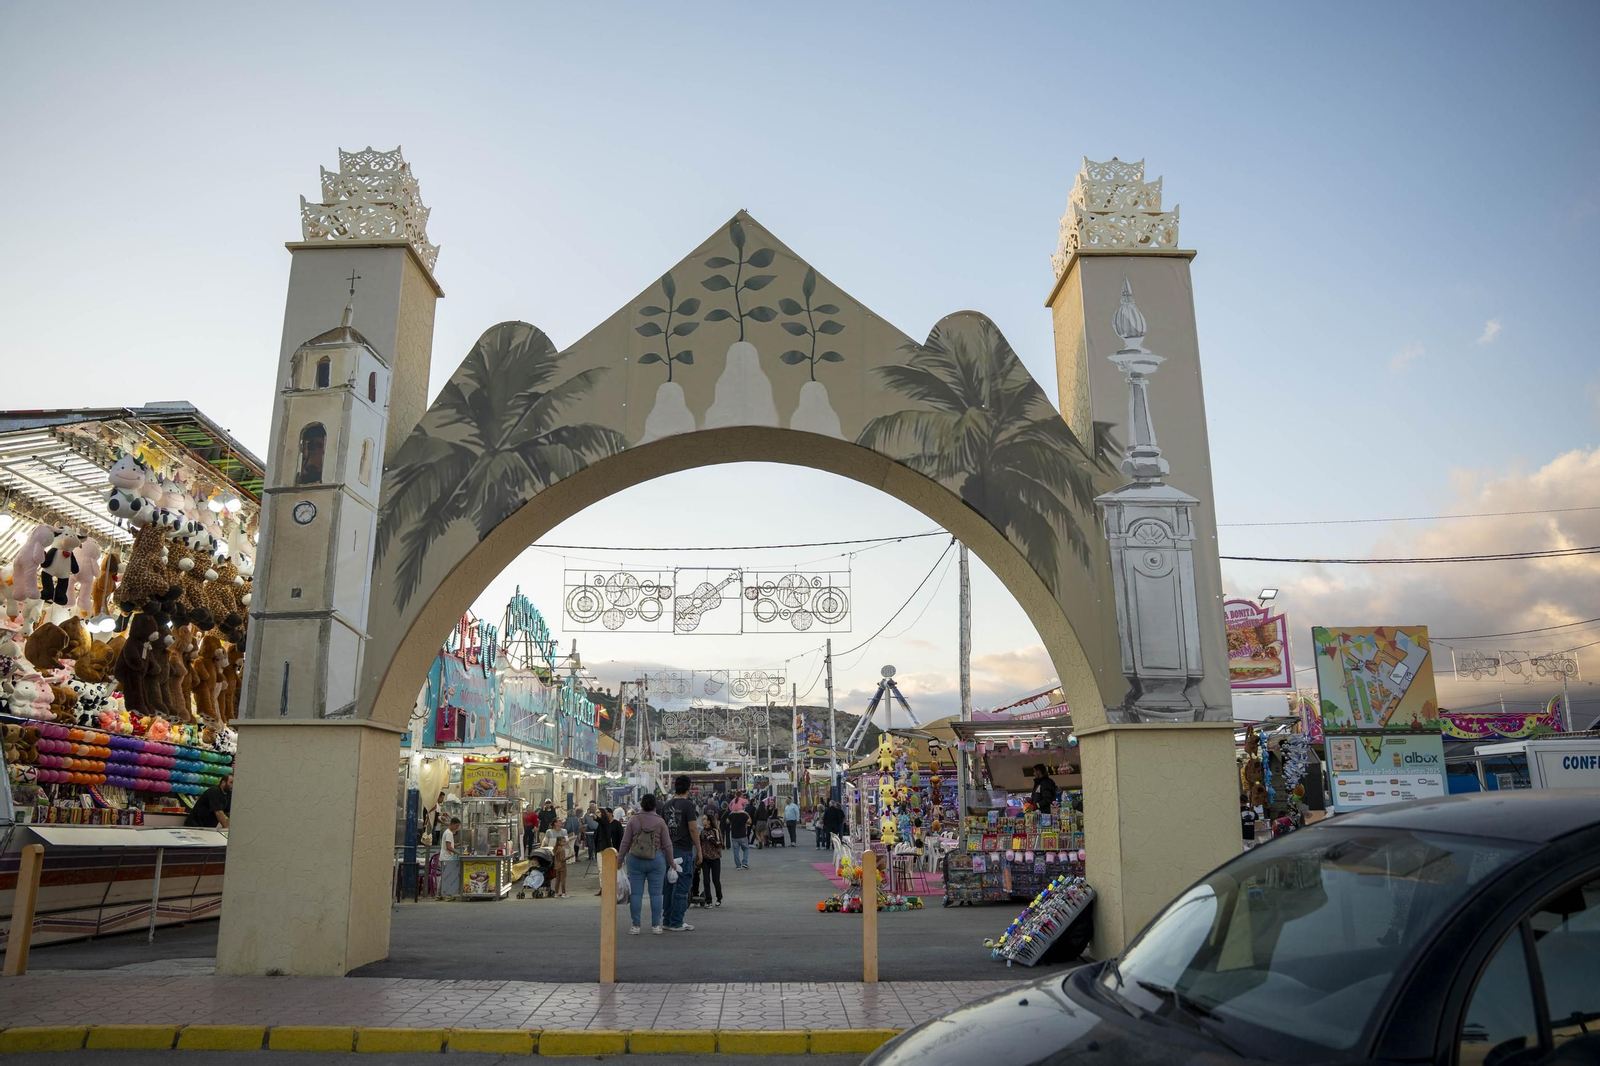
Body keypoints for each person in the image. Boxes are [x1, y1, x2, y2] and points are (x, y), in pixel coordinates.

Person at [618, 793, 673, 934]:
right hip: (656, 859)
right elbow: (667, 844)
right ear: (655, 805)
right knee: (655, 894)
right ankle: (656, 926)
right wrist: (671, 862)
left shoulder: (633, 820)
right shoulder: (660, 822)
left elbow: (625, 842)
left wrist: (619, 860)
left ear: (641, 804)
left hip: (635, 859)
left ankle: (636, 926)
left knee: (636, 894)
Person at [661, 775, 699, 931]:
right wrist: (700, 848)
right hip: (683, 850)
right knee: (682, 886)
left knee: (669, 885)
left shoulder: (666, 805)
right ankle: (677, 921)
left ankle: (668, 920)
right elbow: (692, 828)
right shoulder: (688, 806)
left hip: (667, 850)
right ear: (688, 788)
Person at [697, 811, 724, 907]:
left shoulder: (715, 831)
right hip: (705, 859)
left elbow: (720, 844)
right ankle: (708, 900)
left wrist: (711, 839)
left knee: (716, 880)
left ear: (709, 821)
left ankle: (719, 897)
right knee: (706, 880)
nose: (702, 821)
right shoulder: (702, 831)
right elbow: (699, 844)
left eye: (704, 819)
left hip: (715, 858)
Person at [439, 816, 463, 898]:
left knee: (443, 876)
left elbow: (450, 845)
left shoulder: (448, 832)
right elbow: (448, 847)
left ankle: (439, 894)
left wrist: (458, 844)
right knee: (446, 876)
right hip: (446, 858)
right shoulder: (449, 833)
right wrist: (458, 853)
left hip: (445, 857)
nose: (457, 827)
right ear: (452, 824)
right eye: (457, 826)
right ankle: (445, 894)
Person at [727, 800, 751, 869]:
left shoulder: (731, 814)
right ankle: (745, 862)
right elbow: (749, 821)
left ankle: (738, 865)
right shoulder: (743, 814)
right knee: (746, 848)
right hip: (743, 834)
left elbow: (727, 821)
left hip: (734, 834)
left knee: (736, 850)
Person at [550, 828, 570, 897]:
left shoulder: (556, 849)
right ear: (559, 842)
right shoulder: (562, 850)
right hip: (562, 866)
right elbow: (562, 859)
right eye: (563, 842)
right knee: (563, 880)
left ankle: (556, 893)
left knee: (557, 880)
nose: (564, 843)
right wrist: (570, 856)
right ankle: (564, 893)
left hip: (556, 866)